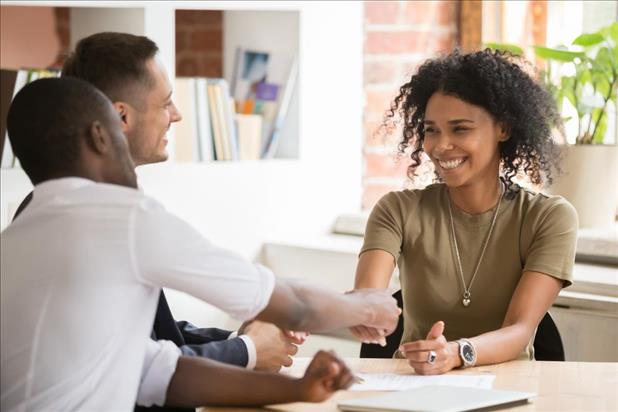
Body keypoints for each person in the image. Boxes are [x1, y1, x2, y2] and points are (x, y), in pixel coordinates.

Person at [0, 77, 399, 411]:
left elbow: (157, 373)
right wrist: (368, 305)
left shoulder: (14, 241)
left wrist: (297, 389)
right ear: (100, 135)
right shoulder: (121, 215)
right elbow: (295, 305)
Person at [12, 32, 303, 384]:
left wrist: (237, 340)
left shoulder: (68, 205)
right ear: (121, 116)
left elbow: (154, 335)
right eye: (166, 103)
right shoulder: (97, 220)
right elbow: (138, 370)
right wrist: (248, 350)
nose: (177, 116)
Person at [352, 49, 578, 375]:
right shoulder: (397, 211)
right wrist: (362, 310)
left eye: (460, 129)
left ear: (503, 129)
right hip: (414, 390)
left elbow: (520, 330)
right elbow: (368, 297)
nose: (441, 146)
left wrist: (457, 353)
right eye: (431, 130)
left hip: (511, 389)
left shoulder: (548, 218)